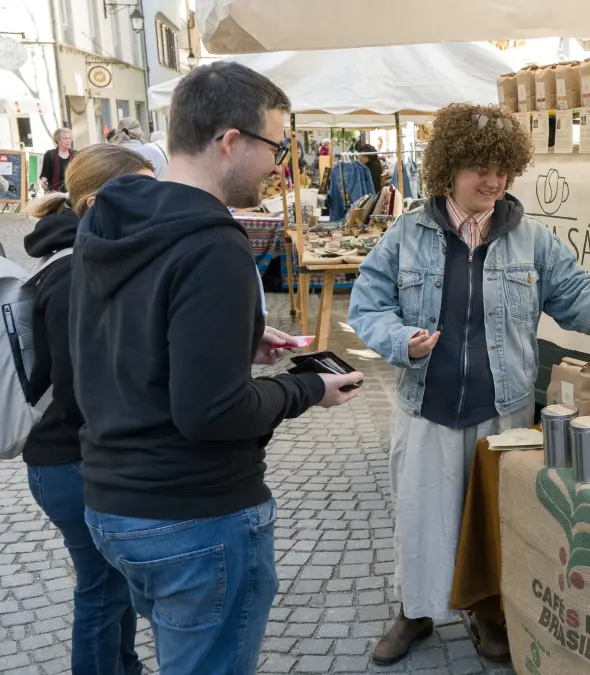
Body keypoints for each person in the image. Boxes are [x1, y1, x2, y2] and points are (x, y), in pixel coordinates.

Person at [69, 61, 364, 675]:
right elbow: (211, 412)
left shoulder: (110, 220)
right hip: (192, 515)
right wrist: (307, 387)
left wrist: (238, 344)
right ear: (231, 140)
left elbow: (122, 343)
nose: (280, 165)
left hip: (111, 502)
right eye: (278, 146)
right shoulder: (213, 244)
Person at [349, 103, 590, 665]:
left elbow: (574, 290)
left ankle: (491, 611)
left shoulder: (531, 239)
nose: (493, 182)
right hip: (427, 404)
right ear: (448, 168)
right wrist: (400, 341)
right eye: (479, 168)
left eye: (502, 169)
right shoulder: (406, 233)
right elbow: (368, 305)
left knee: (498, 518)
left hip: (504, 409)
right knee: (422, 513)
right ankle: (415, 612)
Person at [24, 144, 154, 675]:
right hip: (68, 460)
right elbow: (80, 390)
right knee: (102, 591)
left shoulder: (86, 257)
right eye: (145, 189)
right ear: (99, 201)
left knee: (112, 587)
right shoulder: (73, 272)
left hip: (70, 457)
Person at [39, 128, 74, 193]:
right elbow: (45, 173)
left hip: (72, 191)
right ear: (58, 140)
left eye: (70, 138)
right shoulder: (49, 154)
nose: (68, 141)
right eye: (65, 138)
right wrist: (43, 182)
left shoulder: (75, 154)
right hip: (54, 192)